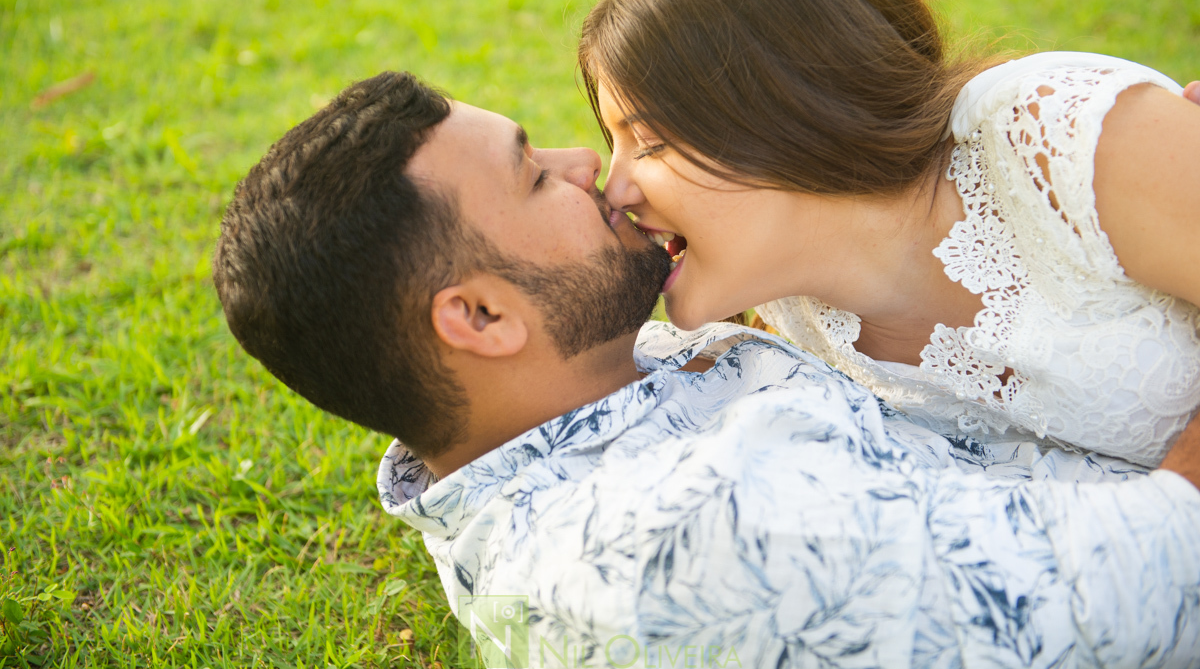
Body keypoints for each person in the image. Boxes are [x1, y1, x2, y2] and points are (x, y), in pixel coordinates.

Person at [213, 71, 1200, 667]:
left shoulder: (542, 405)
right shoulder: (703, 531)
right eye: (532, 174)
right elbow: (1172, 572)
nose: (580, 163)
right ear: (478, 316)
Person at [582, 0, 1200, 469]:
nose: (618, 192)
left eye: (651, 142)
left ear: (787, 113)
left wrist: (1169, 514)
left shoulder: (1056, 139)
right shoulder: (788, 332)